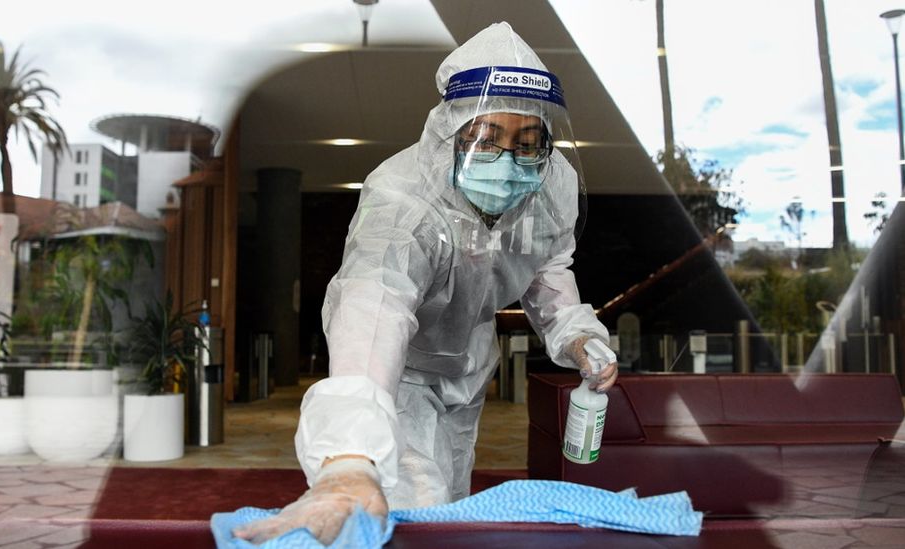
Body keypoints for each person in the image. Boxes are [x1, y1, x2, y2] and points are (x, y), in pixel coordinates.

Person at [234, 22, 618, 546]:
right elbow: (375, 306)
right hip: (401, 373)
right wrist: (349, 459)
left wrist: (574, 334)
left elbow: (547, 266)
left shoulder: (552, 184)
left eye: (528, 143)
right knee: (418, 506)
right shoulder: (403, 200)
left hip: (468, 371)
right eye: (488, 139)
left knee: (452, 501)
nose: (509, 161)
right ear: (451, 132)